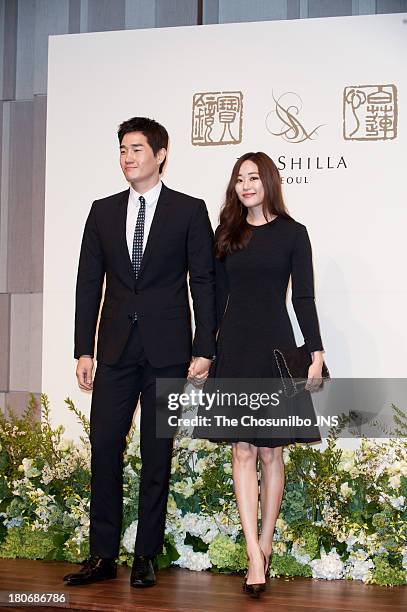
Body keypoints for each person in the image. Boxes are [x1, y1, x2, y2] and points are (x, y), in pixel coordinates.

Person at [63, 117, 216, 587]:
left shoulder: (189, 210)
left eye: (136, 149)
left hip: (168, 351)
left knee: (157, 452)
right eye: (122, 150)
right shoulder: (102, 211)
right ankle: (102, 555)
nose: (128, 158)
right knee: (105, 448)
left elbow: (203, 282)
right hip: (113, 351)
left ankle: (146, 554)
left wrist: (204, 347)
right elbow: (89, 283)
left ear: (160, 154)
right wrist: (82, 349)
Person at [199, 152, 325, 598]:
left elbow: (304, 298)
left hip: (274, 347)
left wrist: (315, 352)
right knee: (242, 450)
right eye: (239, 179)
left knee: (272, 453)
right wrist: (205, 352)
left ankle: (266, 542)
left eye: (253, 177)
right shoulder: (227, 233)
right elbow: (213, 299)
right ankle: (253, 551)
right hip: (234, 347)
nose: (245, 185)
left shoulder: (294, 234)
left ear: (269, 181)